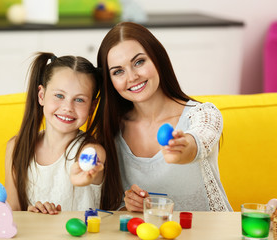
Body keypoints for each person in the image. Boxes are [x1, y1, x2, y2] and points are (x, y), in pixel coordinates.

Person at [96, 22, 232, 212]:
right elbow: (111, 211)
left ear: (157, 59)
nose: (132, 77)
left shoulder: (203, 115)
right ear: (110, 81)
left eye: (139, 62)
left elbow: (197, 143)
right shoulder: (112, 131)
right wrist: (129, 206)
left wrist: (183, 146)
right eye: (118, 71)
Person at [5, 52, 121, 214]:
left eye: (79, 99)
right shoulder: (16, 146)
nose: (68, 107)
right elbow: (14, 210)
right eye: (59, 95)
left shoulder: (90, 149)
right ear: (41, 96)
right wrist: (30, 214)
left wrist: (85, 172)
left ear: (92, 107)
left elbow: (93, 160)